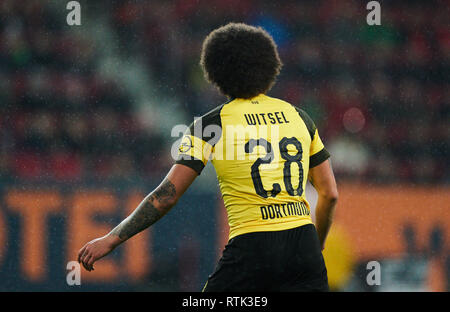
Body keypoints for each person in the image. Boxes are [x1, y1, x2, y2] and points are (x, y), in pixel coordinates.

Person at [78, 23, 338, 292]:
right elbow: (329, 193)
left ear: (216, 72)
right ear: (268, 66)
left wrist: (112, 238)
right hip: (303, 246)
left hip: (252, 245)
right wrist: (314, 244)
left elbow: (166, 195)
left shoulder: (209, 126)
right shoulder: (299, 117)